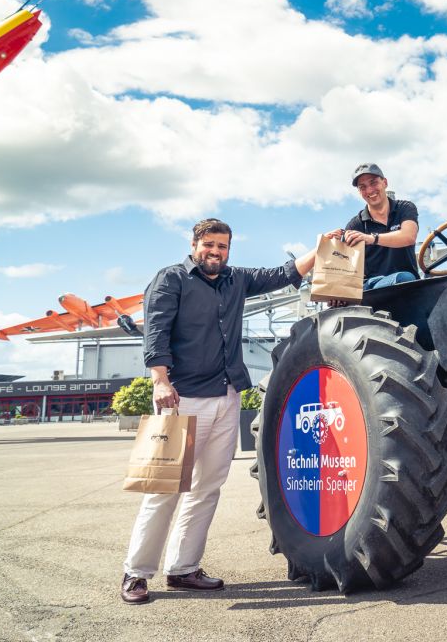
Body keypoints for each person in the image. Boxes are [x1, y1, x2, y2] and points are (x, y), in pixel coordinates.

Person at [120, 218, 317, 605]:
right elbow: (155, 330)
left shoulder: (236, 279)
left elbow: (284, 273)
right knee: (165, 489)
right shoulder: (171, 279)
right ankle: (136, 573)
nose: (216, 252)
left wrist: (325, 245)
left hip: (226, 397)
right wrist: (160, 380)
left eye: (223, 247)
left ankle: (184, 568)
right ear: (194, 243)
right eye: (209, 245)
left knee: (208, 487)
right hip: (181, 397)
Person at [330, 163, 420, 288]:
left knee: (407, 278)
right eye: (363, 187)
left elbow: (409, 236)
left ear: (385, 183)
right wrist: (338, 293)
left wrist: (372, 238)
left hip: (406, 284)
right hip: (372, 288)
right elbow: (344, 264)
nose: (370, 190)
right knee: (404, 278)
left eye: (373, 183)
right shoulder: (355, 225)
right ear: (359, 192)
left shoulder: (405, 208)